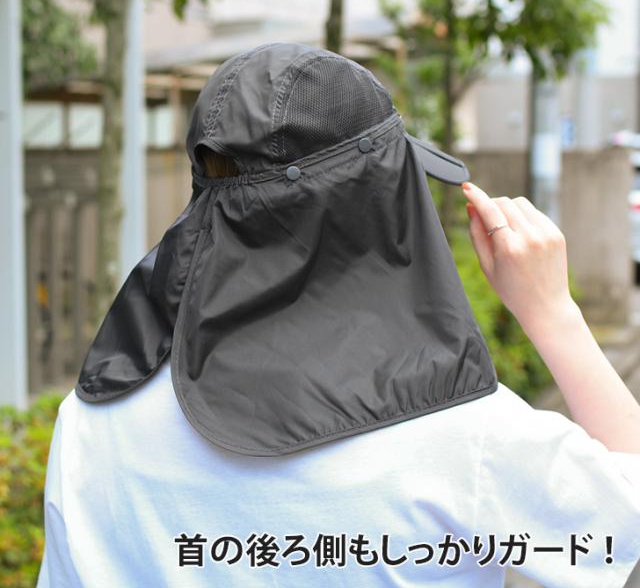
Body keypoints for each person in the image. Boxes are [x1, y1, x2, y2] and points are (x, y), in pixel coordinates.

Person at [37, 46, 640, 587]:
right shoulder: (460, 433)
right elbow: (625, 519)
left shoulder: (95, 419)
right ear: (378, 205)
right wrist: (553, 312)